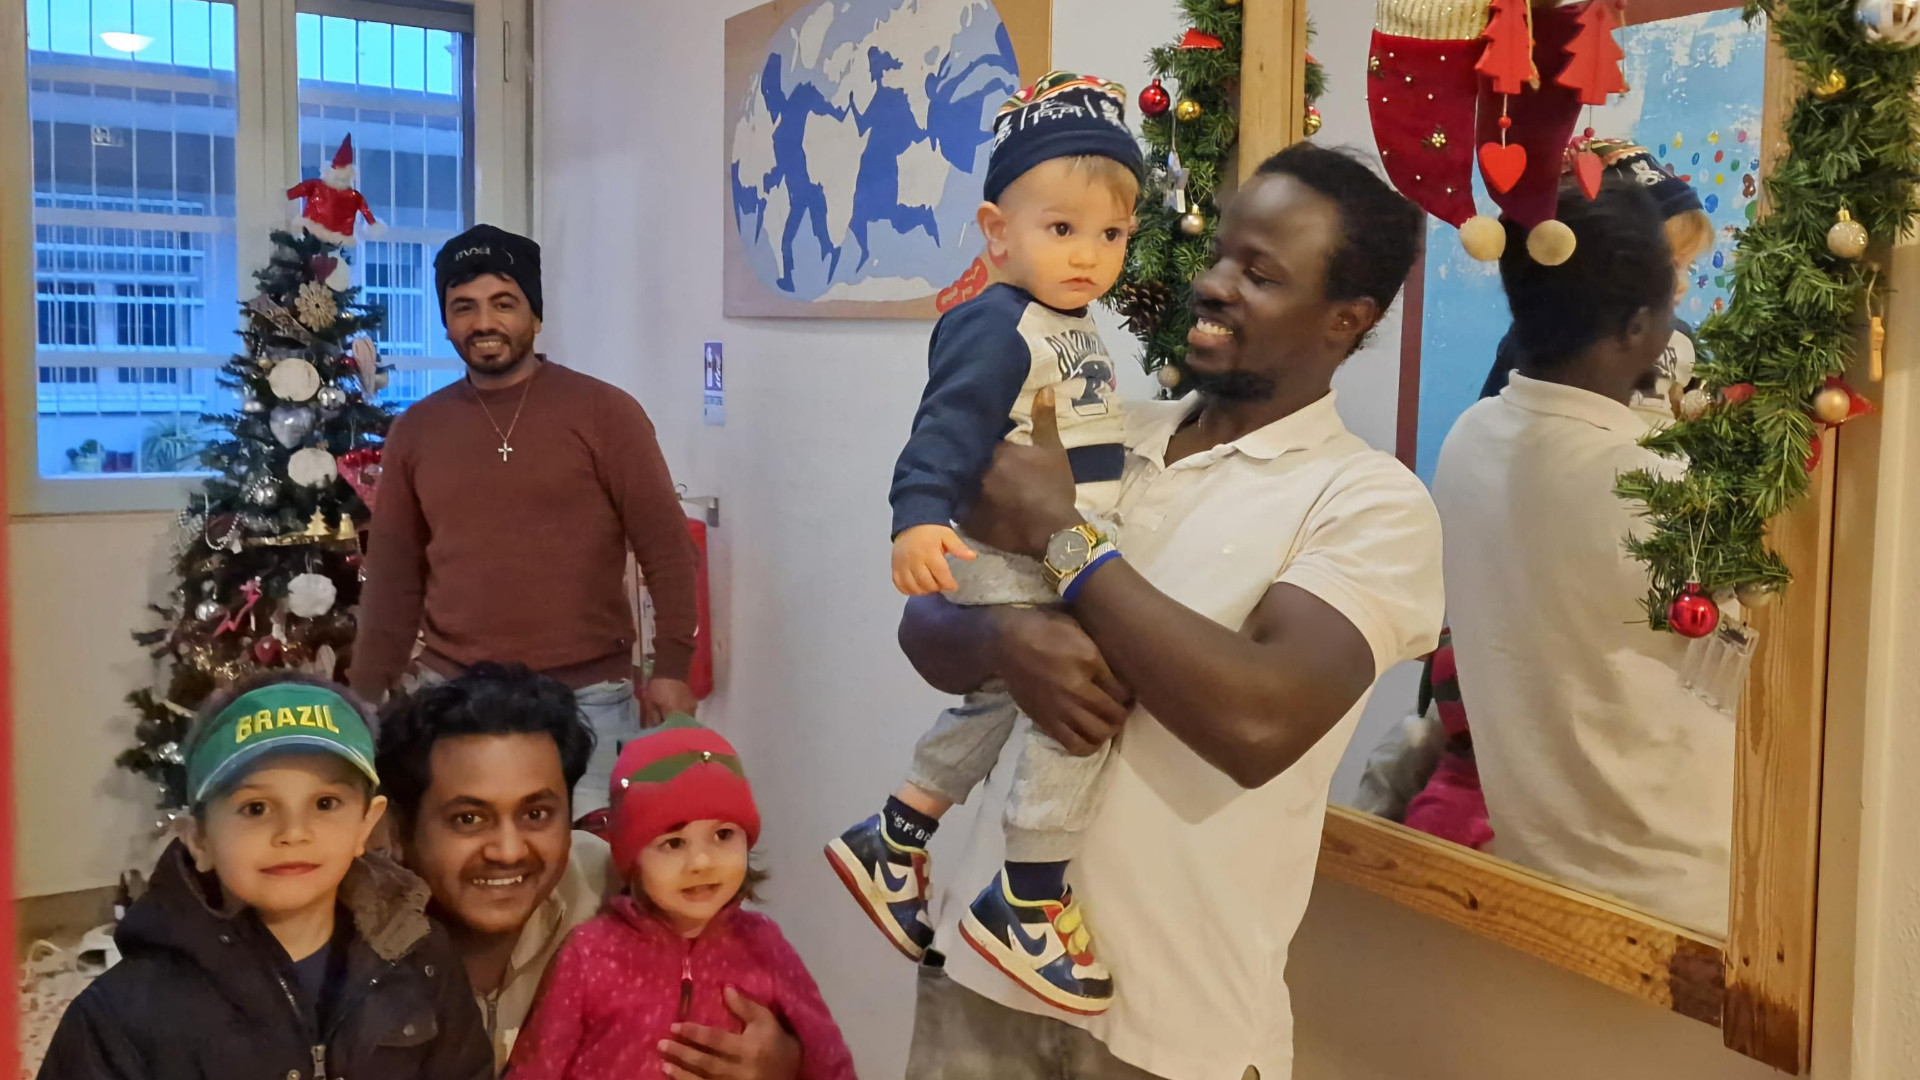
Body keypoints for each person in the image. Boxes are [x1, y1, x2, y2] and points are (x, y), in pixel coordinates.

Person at [895, 143, 1445, 1080]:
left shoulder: (1369, 503)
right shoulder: (1108, 430)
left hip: (1177, 1032)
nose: (1214, 284)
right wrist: (1005, 637)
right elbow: (927, 628)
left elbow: (1257, 722)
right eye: (1221, 254)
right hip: (982, 980)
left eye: (1259, 274)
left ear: (1346, 319)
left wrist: (1064, 539)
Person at [827, 70, 1143, 1015]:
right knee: (1077, 698)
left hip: (1050, 546)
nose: (1089, 254)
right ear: (998, 232)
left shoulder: (1066, 322)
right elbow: (945, 428)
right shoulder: (996, 325)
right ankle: (1028, 899)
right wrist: (917, 516)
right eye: (1063, 228)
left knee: (998, 701)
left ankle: (894, 835)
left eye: (1112, 235)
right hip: (1017, 556)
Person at [1433, 176, 1732, 936]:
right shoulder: (1657, 484)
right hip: (1681, 886)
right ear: (1638, 327)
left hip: (1534, 858)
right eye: (1671, 296)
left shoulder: (1469, 440)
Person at [350, 224, 701, 817]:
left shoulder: (605, 413)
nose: (484, 322)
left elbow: (667, 550)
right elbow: (393, 578)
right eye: (464, 307)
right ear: (446, 321)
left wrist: (670, 668)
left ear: (535, 316)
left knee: (588, 859)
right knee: (462, 860)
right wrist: (362, 697)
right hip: (453, 699)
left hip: (586, 702)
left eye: (503, 303)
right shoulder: (417, 430)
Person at [40, 676, 492, 1080]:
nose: (293, 833)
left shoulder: (421, 959)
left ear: (365, 826)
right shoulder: (120, 1017)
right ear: (199, 840)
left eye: (326, 804)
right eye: (255, 808)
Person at [375, 664, 804, 1078]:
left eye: (536, 814)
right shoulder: (360, 942)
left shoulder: (621, 887)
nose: (508, 851)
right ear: (398, 830)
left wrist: (786, 1063)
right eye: (468, 819)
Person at [507, 719, 856, 1080]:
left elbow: (831, 1063)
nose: (701, 862)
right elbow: (535, 1068)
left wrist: (789, 1065)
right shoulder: (589, 953)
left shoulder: (764, 947)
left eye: (723, 835)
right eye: (673, 843)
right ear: (633, 858)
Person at [1478, 139, 1714, 414]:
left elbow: (1701, 408)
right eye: (1670, 266)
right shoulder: (1541, 350)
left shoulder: (1682, 339)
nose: (1682, 285)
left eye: (1688, 266)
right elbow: (1502, 418)